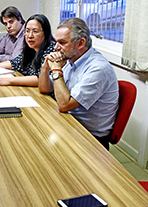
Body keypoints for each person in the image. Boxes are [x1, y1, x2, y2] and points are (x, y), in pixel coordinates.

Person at [38, 17, 118, 150]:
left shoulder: (98, 68)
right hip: (68, 123)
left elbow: (64, 105)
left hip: (89, 137)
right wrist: (46, 66)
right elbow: (44, 89)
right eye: (56, 42)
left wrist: (56, 70)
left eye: (62, 43)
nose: (56, 47)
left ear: (81, 43)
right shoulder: (71, 59)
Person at [0, 14, 55, 87]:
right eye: (27, 31)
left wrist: (10, 80)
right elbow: (14, 63)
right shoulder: (30, 48)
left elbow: (43, 80)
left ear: (45, 33)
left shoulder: (51, 50)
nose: (30, 36)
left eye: (35, 31)